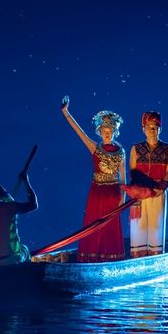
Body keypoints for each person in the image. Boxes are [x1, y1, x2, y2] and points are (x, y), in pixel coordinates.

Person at [61, 96, 126, 262]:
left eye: (110, 131)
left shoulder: (121, 152)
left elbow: (123, 177)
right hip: (97, 192)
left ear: (114, 132)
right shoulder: (94, 147)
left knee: (110, 225)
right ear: (100, 132)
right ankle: (91, 257)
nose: (107, 133)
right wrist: (66, 113)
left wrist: (123, 198)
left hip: (113, 193)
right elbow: (79, 132)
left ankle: (110, 258)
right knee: (93, 223)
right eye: (104, 131)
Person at [128, 111, 168, 257]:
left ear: (160, 129)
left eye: (155, 127)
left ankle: (156, 257)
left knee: (156, 226)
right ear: (143, 129)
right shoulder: (136, 149)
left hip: (158, 192)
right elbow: (133, 172)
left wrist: (161, 189)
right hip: (139, 194)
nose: (152, 130)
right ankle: (138, 257)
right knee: (139, 227)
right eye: (148, 127)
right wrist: (138, 192)